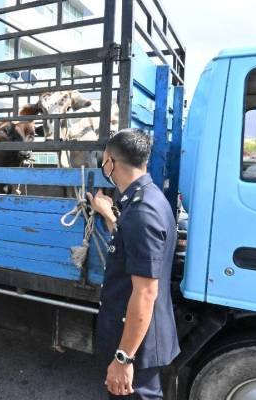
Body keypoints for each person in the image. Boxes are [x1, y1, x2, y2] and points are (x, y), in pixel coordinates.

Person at [86, 129, 180, 399]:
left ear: (111, 163)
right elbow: (133, 244)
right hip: (141, 337)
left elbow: (145, 292)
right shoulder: (148, 198)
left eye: (104, 160)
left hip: (137, 346)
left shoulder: (141, 211)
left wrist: (123, 358)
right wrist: (108, 215)